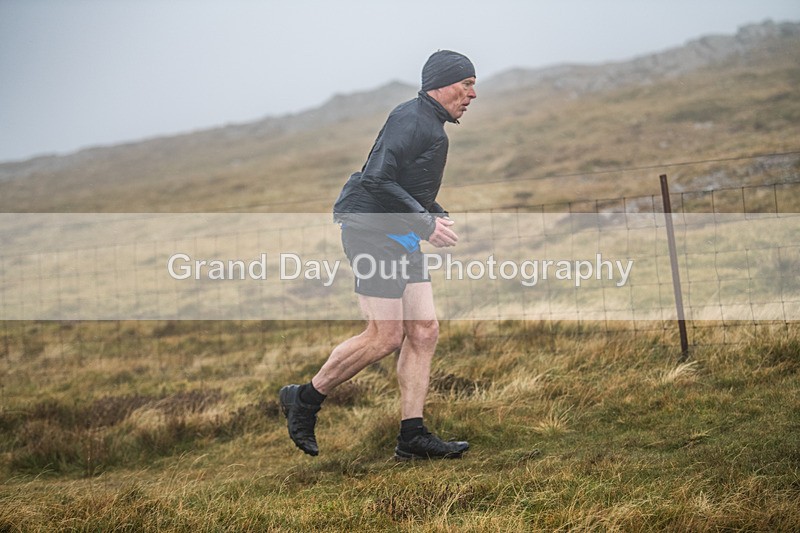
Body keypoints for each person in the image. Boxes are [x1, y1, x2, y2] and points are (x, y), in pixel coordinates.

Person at [279, 50, 477, 460]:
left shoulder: (431, 124)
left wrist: (431, 212)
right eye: (467, 83)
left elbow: (406, 183)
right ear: (441, 83)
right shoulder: (411, 119)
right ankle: (304, 398)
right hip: (371, 233)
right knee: (385, 336)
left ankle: (412, 438)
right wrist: (425, 223)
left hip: (400, 235)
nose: (472, 93)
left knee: (424, 331)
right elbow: (376, 178)